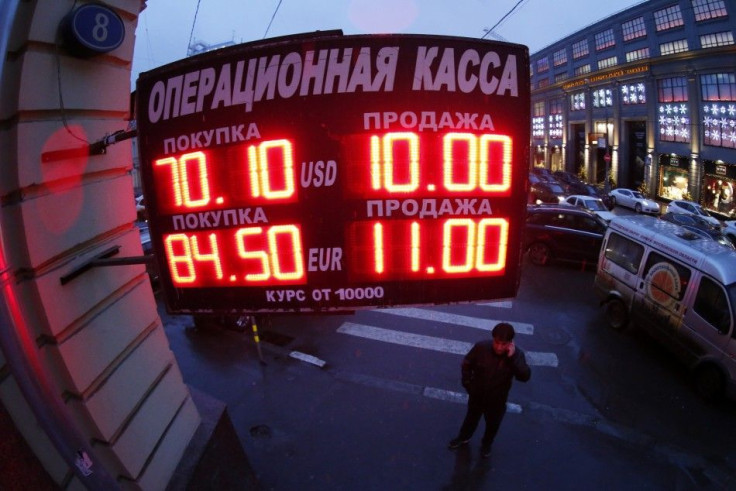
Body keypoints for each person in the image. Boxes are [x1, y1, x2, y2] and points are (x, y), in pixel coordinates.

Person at [448, 322, 531, 458]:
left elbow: (525, 376)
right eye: (497, 342)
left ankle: (486, 445)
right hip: (477, 395)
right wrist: (468, 384)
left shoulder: (517, 355)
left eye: (503, 344)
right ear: (493, 339)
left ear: (510, 343)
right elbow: (467, 364)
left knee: (492, 425)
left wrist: (513, 358)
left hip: (497, 400)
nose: (499, 347)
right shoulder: (481, 347)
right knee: (470, 419)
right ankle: (463, 438)